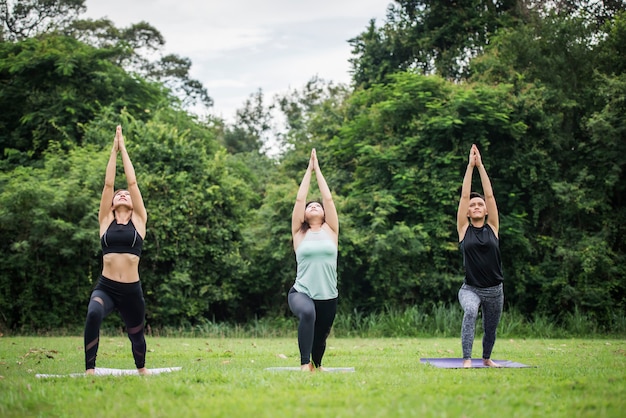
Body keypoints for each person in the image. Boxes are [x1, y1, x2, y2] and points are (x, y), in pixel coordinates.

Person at [83, 125, 149, 375]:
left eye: (126, 195)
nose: (122, 194)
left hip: (132, 290)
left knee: (137, 335)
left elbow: (131, 182)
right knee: (93, 314)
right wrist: (113, 149)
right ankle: (90, 371)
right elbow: (109, 183)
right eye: (118, 195)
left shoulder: (139, 221)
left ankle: (141, 370)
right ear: (111, 203)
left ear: (132, 204)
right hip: (106, 287)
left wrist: (124, 150)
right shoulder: (105, 221)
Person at [288, 148, 339, 372]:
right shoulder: (300, 234)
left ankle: (315, 365)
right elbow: (300, 198)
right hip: (302, 291)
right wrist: (309, 169)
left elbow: (327, 198)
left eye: (316, 205)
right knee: (307, 313)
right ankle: (303, 365)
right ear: (305, 215)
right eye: (310, 206)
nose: (314, 205)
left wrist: (319, 169)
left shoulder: (331, 230)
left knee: (320, 341)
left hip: (328, 296)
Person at [456, 144, 504, 368]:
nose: (476, 206)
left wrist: (481, 166)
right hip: (471, 289)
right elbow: (465, 195)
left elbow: (490, 195)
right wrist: (469, 166)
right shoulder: (464, 229)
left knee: (491, 328)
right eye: (472, 205)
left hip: (495, 290)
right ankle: (467, 358)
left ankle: (486, 358)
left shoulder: (492, 227)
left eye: (480, 205)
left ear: (486, 211)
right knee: (471, 310)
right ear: (467, 211)